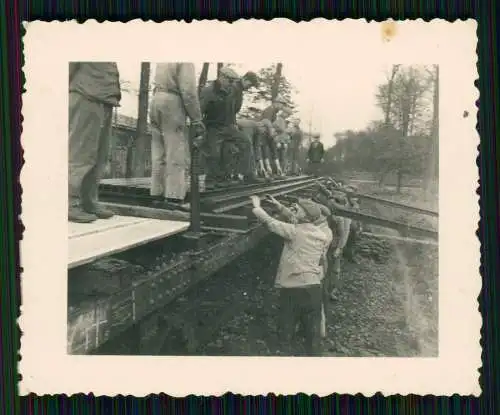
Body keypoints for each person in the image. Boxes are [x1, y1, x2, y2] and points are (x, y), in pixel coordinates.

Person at [250, 195, 333, 356]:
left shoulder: (294, 232)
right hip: (314, 288)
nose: (295, 211)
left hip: (293, 289)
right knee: (312, 334)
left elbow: (270, 222)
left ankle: (285, 362)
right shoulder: (322, 233)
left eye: (298, 209)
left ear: (305, 216)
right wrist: (279, 206)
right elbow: (296, 219)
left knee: (286, 330)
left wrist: (256, 207)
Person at [68, 62, 122, 223]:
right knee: (81, 152)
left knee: (99, 155)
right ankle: (70, 203)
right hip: (86, 95)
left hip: (104, 99)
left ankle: (88, 201)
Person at [149, 63, 206, 206]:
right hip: (172, 101)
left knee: (158, 152)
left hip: (156, 98)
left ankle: (156, 193)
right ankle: (173, 197)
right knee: (176, 152)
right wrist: (196, 118)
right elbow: (188, 91)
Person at [200, 67, 259, 185]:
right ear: (222, 77)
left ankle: (247, 175)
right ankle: (212, 181)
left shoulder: (229, 90)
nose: (232, 84)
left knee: (245, 142)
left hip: (228, 126)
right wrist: (201, 128)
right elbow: (200, 110)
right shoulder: (209, 91)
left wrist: (233, 124)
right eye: (230, 81)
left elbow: (232, 110)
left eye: (233, 81)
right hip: (214, 127)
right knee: (214, 153)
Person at [260, 96, 287, 176]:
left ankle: (277, 169)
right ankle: (267, 169)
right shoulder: (269, 110)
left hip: (268, 133)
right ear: (277, 103)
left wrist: (277, 132)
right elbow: (267, 122)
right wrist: (273, 133)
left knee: (273, 149)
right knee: (264, 150)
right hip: (264, 133)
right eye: (281, 105)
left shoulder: (274, 112)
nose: (282, 108)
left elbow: (272, 125)